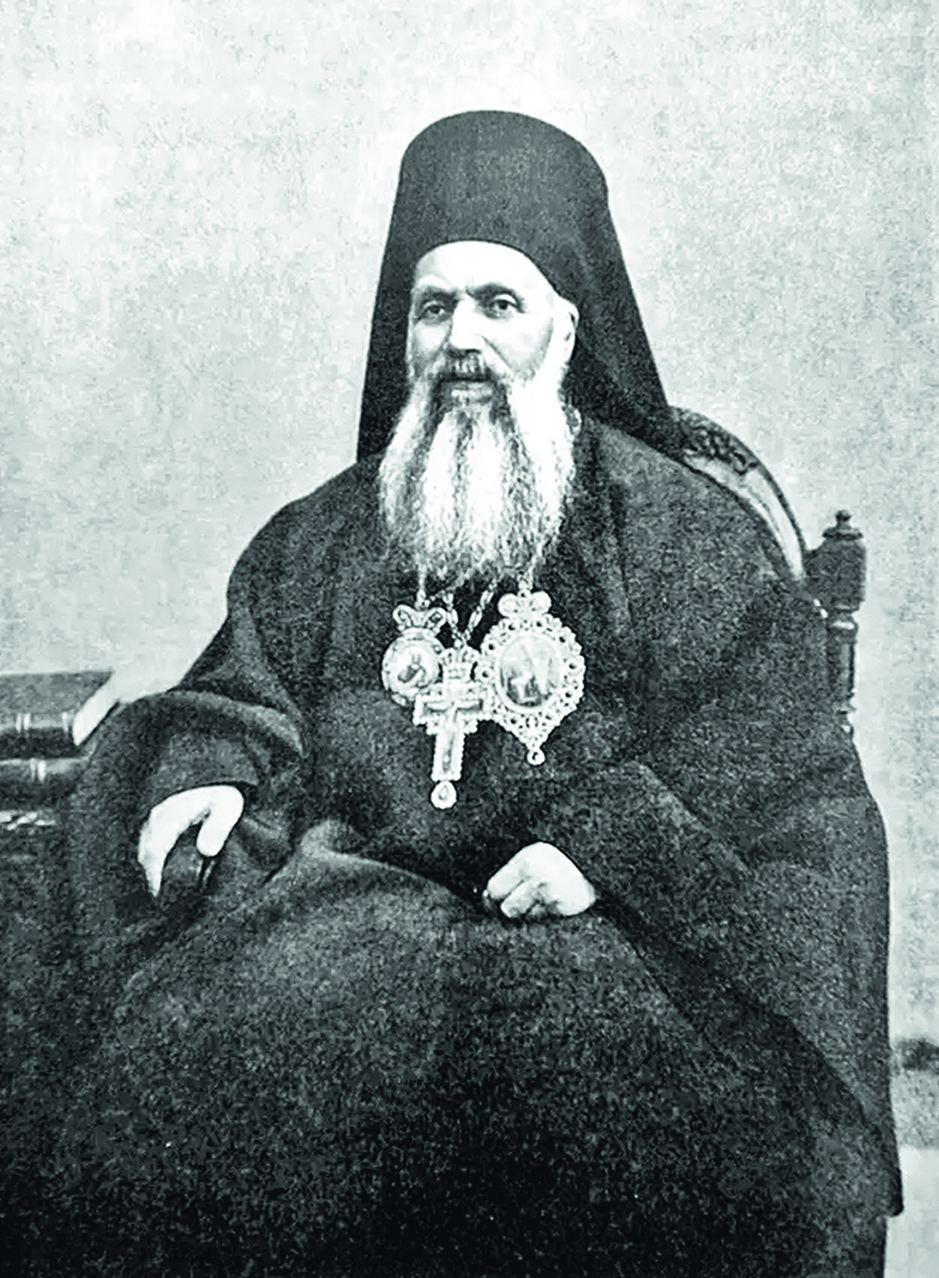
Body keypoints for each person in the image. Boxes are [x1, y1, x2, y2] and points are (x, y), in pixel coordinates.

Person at [31, 112, 899, 1276]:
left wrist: (612, 847)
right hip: (352, 917)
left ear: (565, 330)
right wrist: (213, 771)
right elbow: (241, 686)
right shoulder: (326, 533)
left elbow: (776, 762)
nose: (464, 340)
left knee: (641, 1113)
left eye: (500, 304)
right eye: (435, 308)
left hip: (602, 934)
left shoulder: (683, 532)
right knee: (197, 1068)